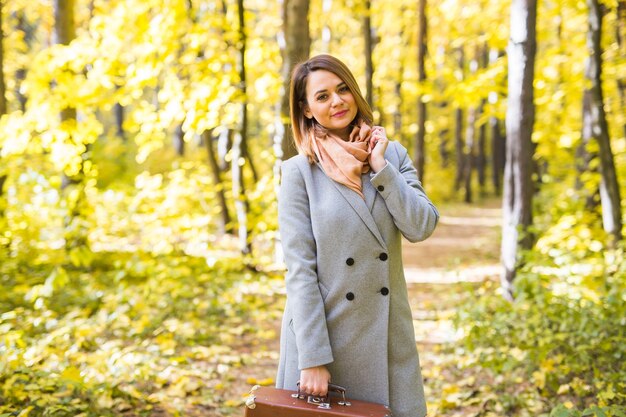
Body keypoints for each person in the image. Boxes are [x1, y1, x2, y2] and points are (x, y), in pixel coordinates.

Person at [275, 54, 439, 417]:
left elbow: (421, 226)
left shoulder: (391, 155)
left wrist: (380, 167)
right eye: (322, 96)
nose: (336, 101)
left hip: (386, 337)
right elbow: (300, 271)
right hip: (324, 338)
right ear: (305, 110)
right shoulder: (298, 173)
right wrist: (313, 357)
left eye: (342, 89)